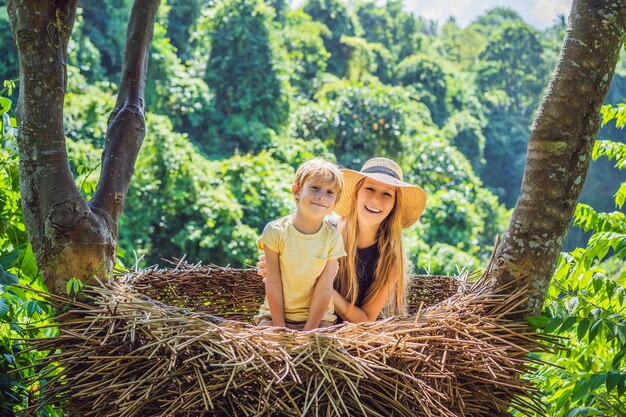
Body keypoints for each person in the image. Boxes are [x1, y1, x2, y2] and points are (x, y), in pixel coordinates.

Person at [258, 157, 426, 324]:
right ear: (356, 192)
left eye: (387, 194)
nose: (376, 199)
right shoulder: (324, 232)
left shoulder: (391, 260)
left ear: (394, 205)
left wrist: (318, 283)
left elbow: (366, 320)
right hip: (300, 322)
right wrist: (284, 268)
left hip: (344, 338)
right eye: (370, 188)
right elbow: (281, 267)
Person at [255, 158, 346, 330]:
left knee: (320, 347)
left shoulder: (332, 238)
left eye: (330, 192)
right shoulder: (276, 231)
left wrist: (309, 330)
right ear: (296, 191)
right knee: (266, 341)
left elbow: (325, 288)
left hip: (318, 320)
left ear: (335, 201)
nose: (322, 196)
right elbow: (273, 281)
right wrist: (280, 327)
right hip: (274, 317)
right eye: (314, 188)